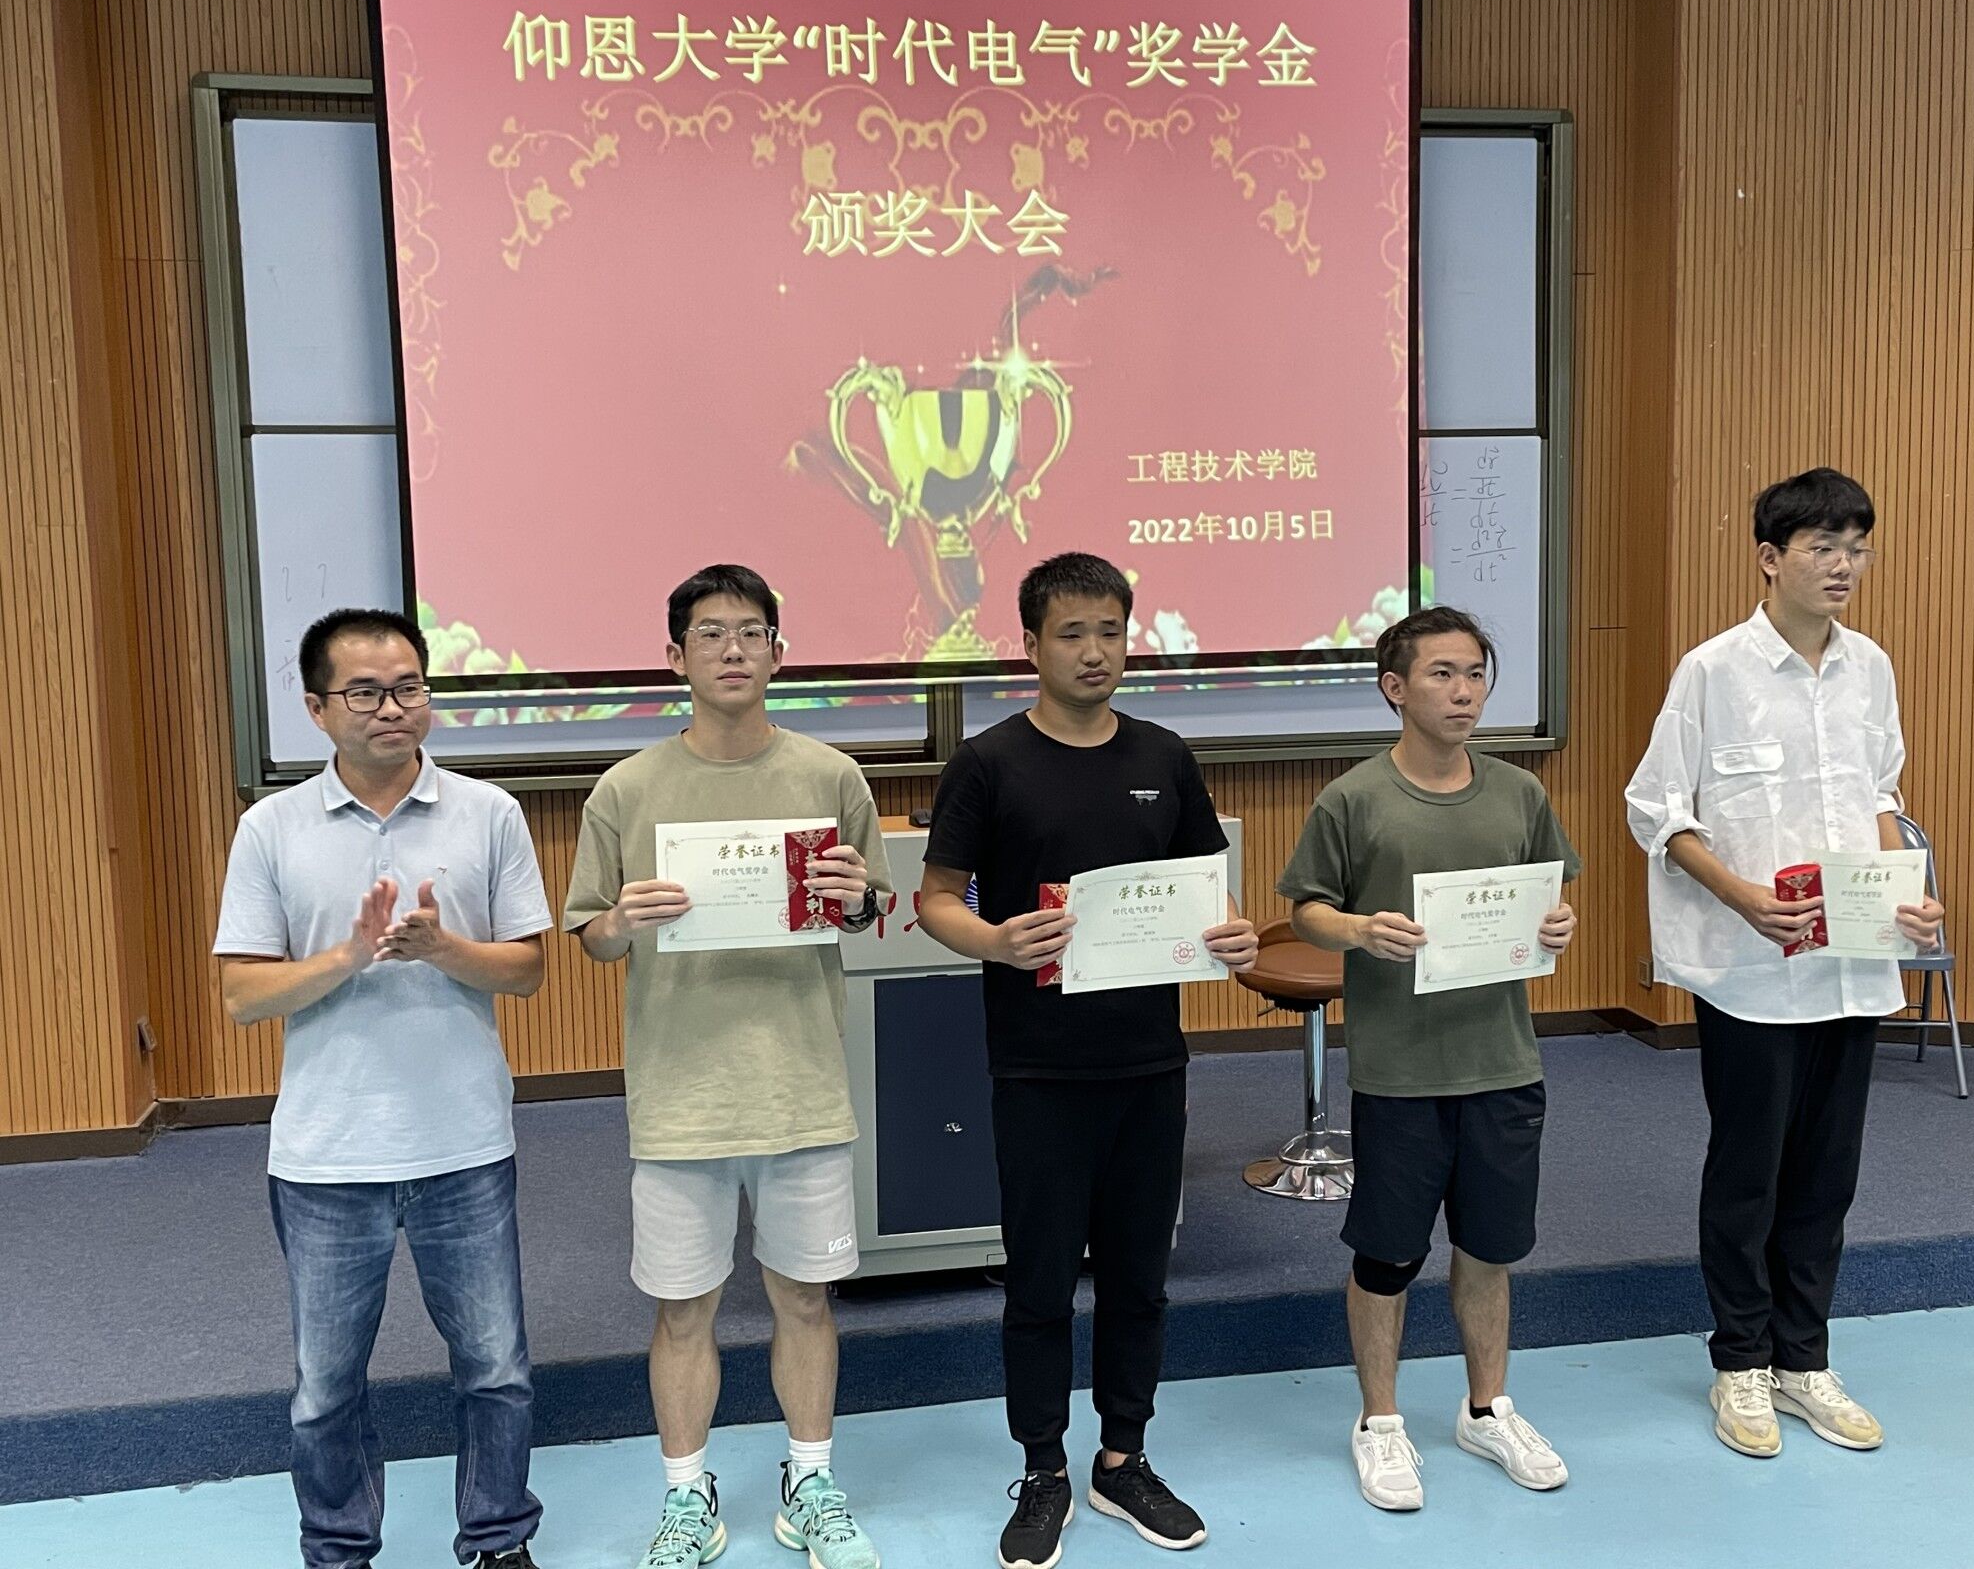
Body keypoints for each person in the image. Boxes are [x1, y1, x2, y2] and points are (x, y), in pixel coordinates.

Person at [916, 552, 1259, 1569]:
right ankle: (1043, 1468)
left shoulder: (1164, 754)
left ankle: (1123, 1458)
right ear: (1030, 644)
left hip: (1149, 1061)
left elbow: (1204, 889)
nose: (1095, 651)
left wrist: (1232, 932)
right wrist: (994, 940)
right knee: (1038, 1281)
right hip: (1037, 1065)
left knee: (1140, 1277)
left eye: (1111, 631)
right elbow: (936, 897)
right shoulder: (988, 762)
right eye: (1072, 633)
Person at [565, 564, 893, 1569]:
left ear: (779, 653)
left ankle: (810, 1482)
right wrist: (621, 919)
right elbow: (590, 936)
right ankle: (686, 1497)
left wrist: (853, 897)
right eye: (710, 633)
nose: (733, 650)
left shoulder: (830, 775)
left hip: (800, 1086)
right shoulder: (627, 788)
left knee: (806, 1298)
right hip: (682, 1095)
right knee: (683, 1308)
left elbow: (870, 909)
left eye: (751, 632)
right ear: (676, 656)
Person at [213, 607, 550, 1569]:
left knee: (495, 1369)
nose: (391, 708)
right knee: (325, 1388)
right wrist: (349, 957)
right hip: (326, 1155)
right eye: (364, 692)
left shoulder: (490, 814)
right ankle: (339, 1549)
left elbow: (528, 970)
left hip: (465, 1144)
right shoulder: (270, 827)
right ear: (317, 708)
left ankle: (497, 1539)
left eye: (407, 687)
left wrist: (443, 949)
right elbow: (242, 995)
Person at [1625, 467, 1946, 1458]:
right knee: (1748, 1173)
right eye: (1823, 547)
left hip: (1852, 957)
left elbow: (1882, 791)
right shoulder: (1712, 672)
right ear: (1769, 558)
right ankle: (1739, 1362)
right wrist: (1740, 896)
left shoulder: (1870, 668)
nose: (1845, 565)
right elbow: (1656, 809)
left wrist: (1903, 887)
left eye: (1858, 547)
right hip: (1751, 968)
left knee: (1826, 1173)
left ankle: (1804, 1359)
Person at [1277, 606, 1580, 1514]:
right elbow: (1305, 910)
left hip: (1503, 1062)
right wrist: (1358, 930)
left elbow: (1550, 893)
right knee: (1387, 1255)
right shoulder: (1353, 799)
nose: (1463, 691)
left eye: (1475, 673)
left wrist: (1557, 925)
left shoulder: (1518, 793)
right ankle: (1378, 1420)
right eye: (1442, 673)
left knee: (1488, 1250)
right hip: (1400, 1072)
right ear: (1395, 688)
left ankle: (1487, 1408)